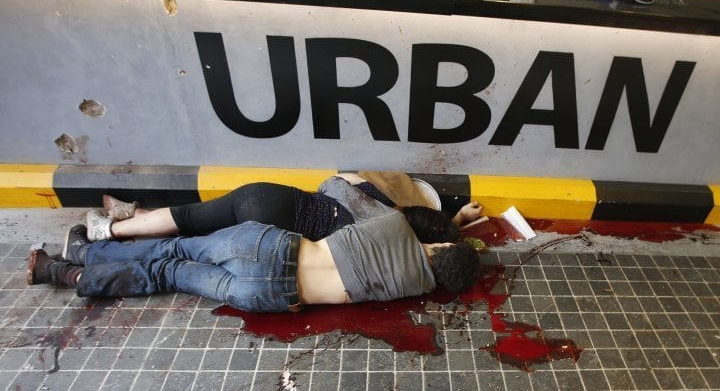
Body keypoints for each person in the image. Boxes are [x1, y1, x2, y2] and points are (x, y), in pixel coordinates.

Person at [27, 209, 481, 313]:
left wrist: (455, 223)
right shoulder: (412, 288)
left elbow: (417, 219)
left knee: (173, 247)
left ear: (441, 248)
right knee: (170, 274)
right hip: (268, 295)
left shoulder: (397, 228)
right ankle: (66, 272)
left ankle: (85, 249)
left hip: (269, 248)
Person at [87, 172, 483, 243]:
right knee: (202, 232)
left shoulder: (380, 203)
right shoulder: (386, 240)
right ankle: (113, 229)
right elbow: (432, 243)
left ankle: (130, 219)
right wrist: (459, 222)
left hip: (274, 195)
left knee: (193, 215)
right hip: (280, 226)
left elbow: (338, 181)